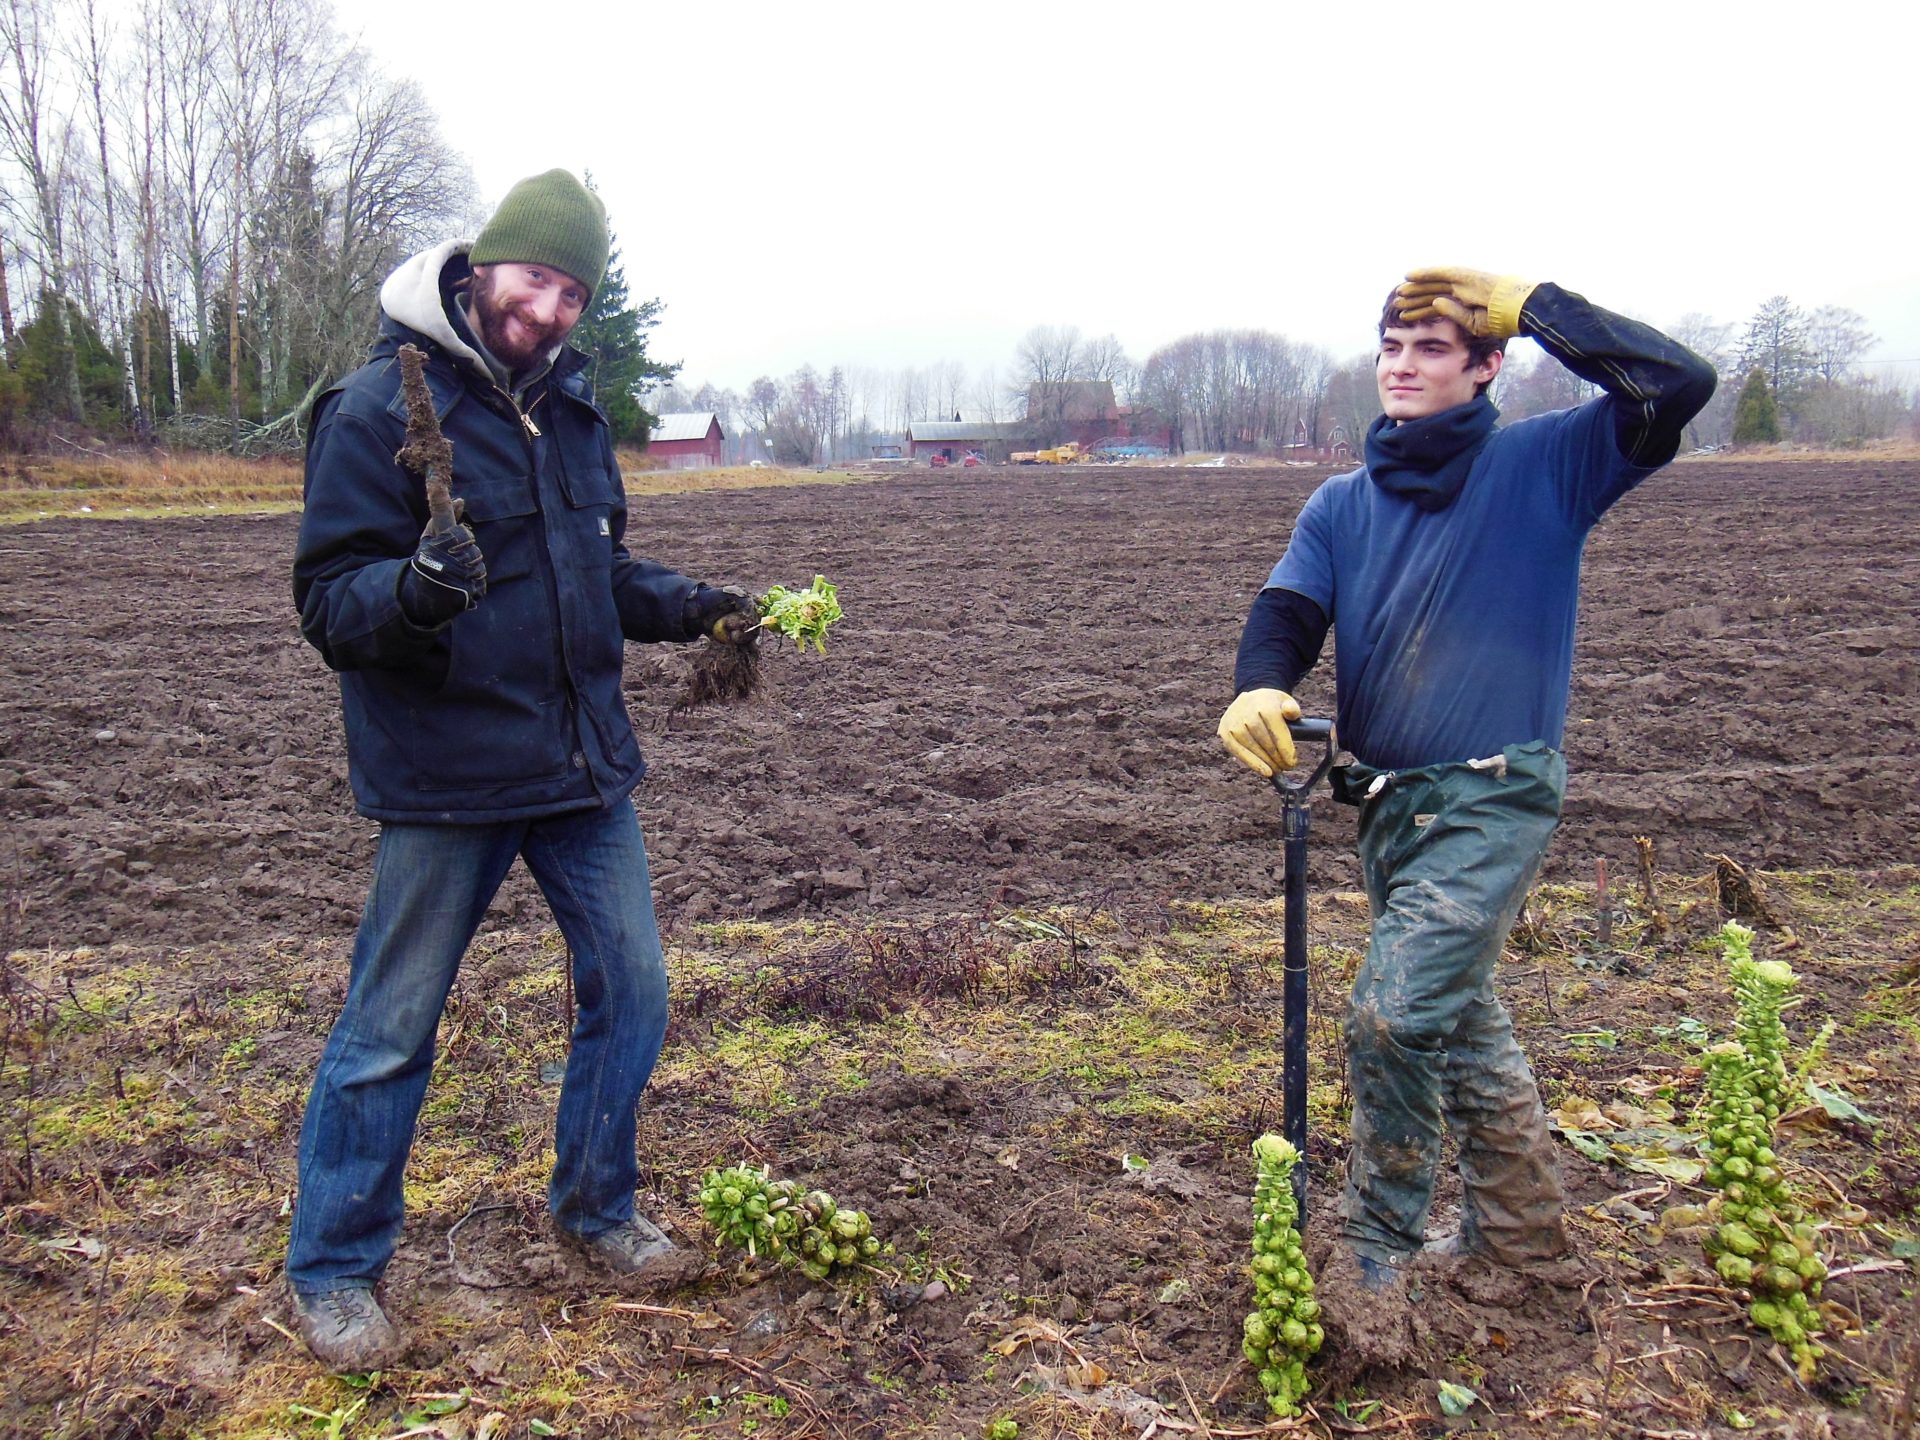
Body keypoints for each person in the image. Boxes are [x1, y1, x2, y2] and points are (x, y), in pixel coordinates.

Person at [289, 169, 759, 1370]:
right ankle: (335, 1270)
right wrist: (412, 592)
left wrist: (698, 609)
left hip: (579, 768)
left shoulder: (570, 411)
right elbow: (331, 604)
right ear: (484, 265)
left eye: (573, 293)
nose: (550, 309)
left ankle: (595, 1208)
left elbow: (594, 577)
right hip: (449, 772)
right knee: (391, 1027)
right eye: (537, 279)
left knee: (635, 993)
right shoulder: (378, 408)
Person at [1217, 267, 1715, 1287]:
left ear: (1488, 364)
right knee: (1456, 1018)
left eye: (1433, 347)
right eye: (1391, 347)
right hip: (1391, 810)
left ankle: (1377, 1260)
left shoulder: (1548, 463)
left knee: (1393, 1015)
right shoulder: (1343, 504)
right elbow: (1288, 614)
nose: (1402, 365)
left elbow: (1676, 384)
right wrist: (1260, 686)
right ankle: (1527, 1242)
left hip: (1494, 794)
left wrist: (1534, 304)